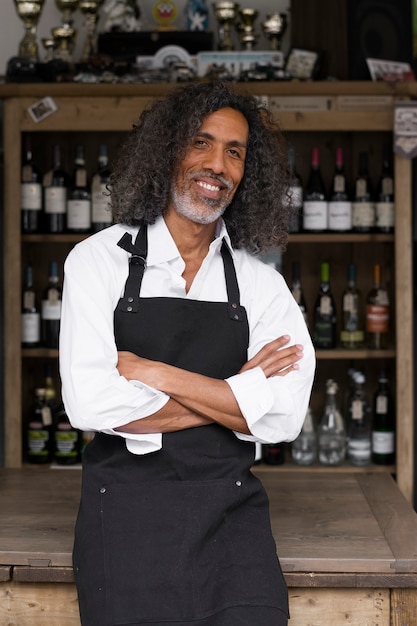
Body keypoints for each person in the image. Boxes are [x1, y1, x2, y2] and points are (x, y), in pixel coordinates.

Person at [59, 80, 315, 626]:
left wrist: (153, 372)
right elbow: (90, 406)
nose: (217, 164)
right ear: (168, 150)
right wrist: (236, 396)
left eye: (234, 151)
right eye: (201, 143)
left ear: (248, 174)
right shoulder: (98, 262)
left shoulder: (261, 284)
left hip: (231, 516)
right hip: (125, 517)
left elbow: (284, 417)